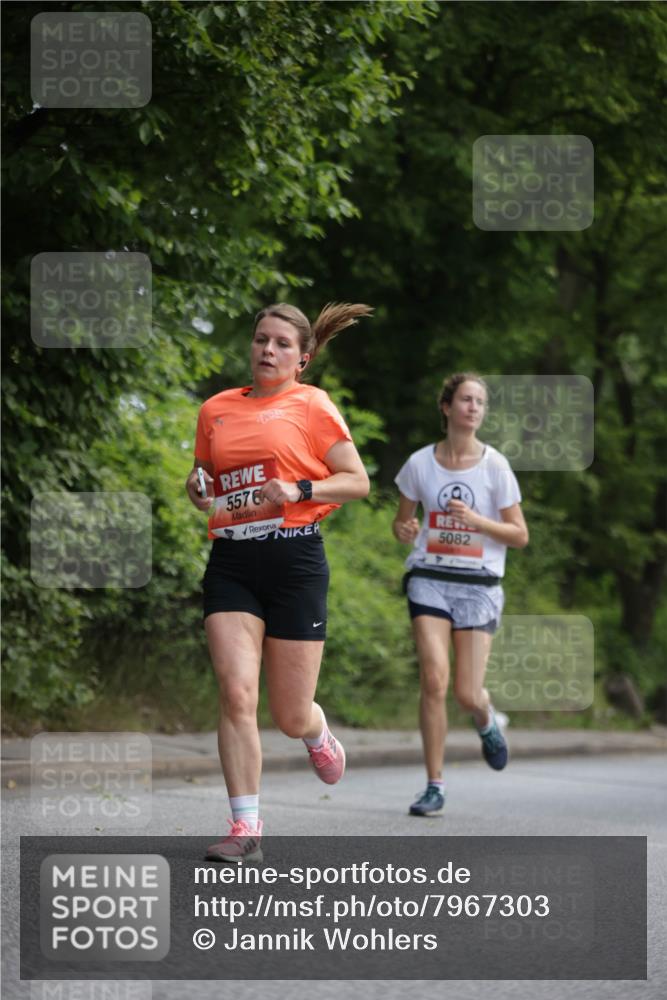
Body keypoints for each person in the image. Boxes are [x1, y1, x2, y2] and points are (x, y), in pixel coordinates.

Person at [186, 302, 371, 861]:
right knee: (237, 693)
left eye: (282, 344)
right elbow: (205, 480)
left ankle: (316, 731)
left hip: (295, 562)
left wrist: (301, 491)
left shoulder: (312, 406)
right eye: (261, 339)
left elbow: (357, 481)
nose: (267, 350)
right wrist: (197, 491)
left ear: (303, 358)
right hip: (233, 563)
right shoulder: (215, 409)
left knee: (289, 714)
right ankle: (246, 828)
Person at [392, 373, 528, 817]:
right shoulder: (419, 464)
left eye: (480, 402)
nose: (473, 407)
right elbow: (402, 523)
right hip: (429, 577)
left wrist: (475, 521)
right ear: (447, 407)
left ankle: (486, 719)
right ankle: (434, 785)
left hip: (479, 585)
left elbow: (519, 535)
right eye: (466, 399)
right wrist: (405, 529)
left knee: (468, 694)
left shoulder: (495, 467)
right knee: (434, 679)